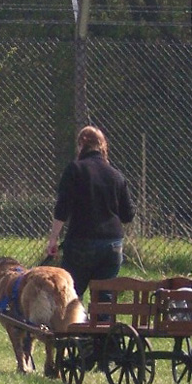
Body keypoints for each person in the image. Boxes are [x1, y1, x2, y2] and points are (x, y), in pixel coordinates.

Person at [46, 125, 135, 303]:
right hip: (112, 245)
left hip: (81, 242)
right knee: (104, 298)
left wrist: (53, 239)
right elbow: (128, 215)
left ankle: (72, 328)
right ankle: (101, 328)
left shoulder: (75, 170)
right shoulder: (116, 176)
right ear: (102, 146)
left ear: (81, 145)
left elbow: (62, 209)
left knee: (71, 293)